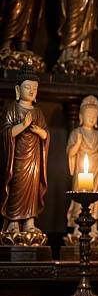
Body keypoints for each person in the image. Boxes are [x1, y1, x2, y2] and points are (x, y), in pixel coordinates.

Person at [0, 63, 49, 241]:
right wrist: (23, 126)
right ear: (18, 89)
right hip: (17, 158)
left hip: (34, 158)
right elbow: (6, 133)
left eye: (34, 88)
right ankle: (13, 221)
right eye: (27, 87)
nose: (31, 91)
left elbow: (46, 135)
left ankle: (29, 221)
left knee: (32, 188)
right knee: (16, 186)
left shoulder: (38, 112)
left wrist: (37, 131)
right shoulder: (12, 109)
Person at [65, 95, 98, 245]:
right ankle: (79, 227)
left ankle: (93, 228)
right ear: (81, 116)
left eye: (94, 116)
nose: (91, 118)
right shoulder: (76, 133)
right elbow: (70, 154)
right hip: (81, 174)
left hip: (96, 173)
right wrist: (78, 144)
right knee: (80, 200)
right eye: (88, 115)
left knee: (95, 201)